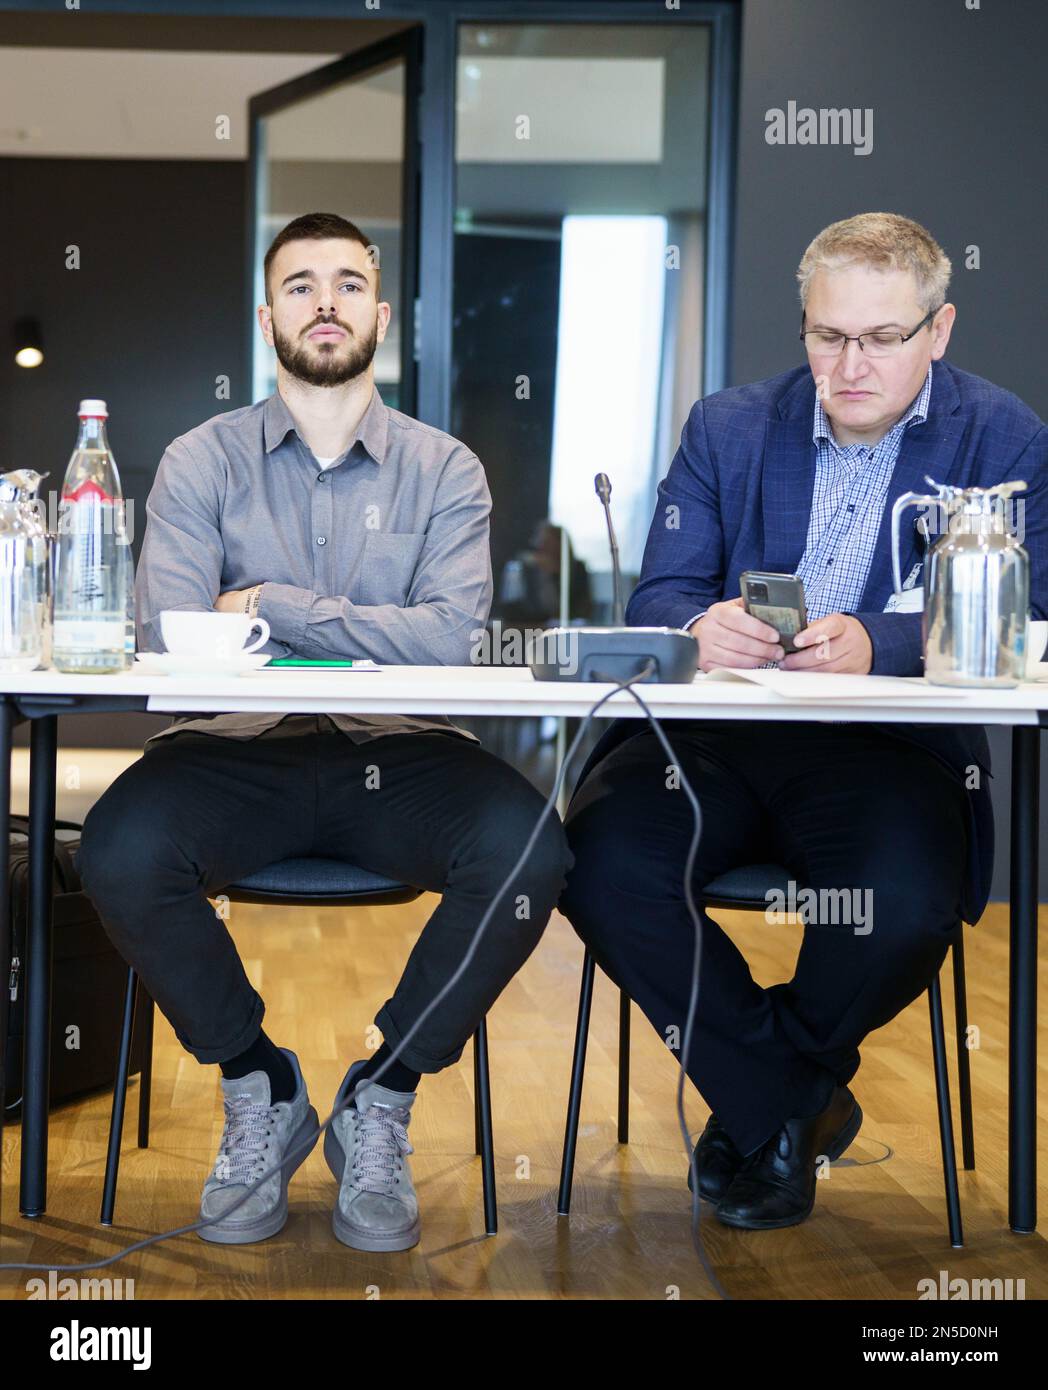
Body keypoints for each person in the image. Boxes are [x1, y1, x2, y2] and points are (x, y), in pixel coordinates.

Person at [77, 211, 572, 1253]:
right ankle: (261, 1080)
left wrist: (264, 603)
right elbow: (173, 633)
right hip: (231, 747)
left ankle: (380, 1094)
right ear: (269, 318)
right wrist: (353, 632)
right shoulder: (200, 459)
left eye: (348, 283)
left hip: (404, 749)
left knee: (531, 850)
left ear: (381, 315)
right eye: (300, 285)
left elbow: (444, 639)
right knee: (117, 849)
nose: (326, 302)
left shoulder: (445, 470)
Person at [558, 212, 1048, 1230]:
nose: (850, 364)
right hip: (712, 741)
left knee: (907, 906)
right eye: (827, 336)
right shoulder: (729, 424)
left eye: (881, 339)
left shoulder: (1002, 436)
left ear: (939, 329)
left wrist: (884, 640)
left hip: (889, 748)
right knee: (597, 869)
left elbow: (1031, 612)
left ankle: (762, 1101)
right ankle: (790, 1101)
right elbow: (658, 597)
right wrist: (704, 626)